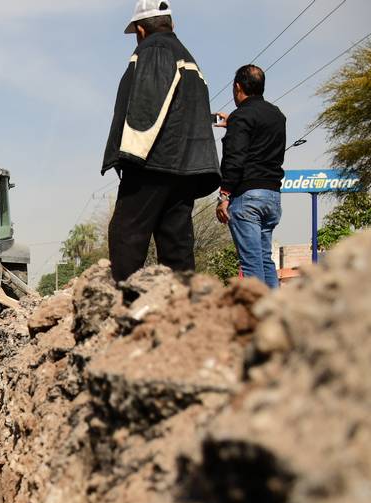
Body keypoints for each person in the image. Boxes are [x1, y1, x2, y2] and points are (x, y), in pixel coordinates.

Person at [101, 0, 221, 282]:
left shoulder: (154, 48)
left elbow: (147, 104)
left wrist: (130, 155)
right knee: (176, 246)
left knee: (126, 236)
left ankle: (126, 299)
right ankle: (181, 303)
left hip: (152, 162)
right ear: (171, 24)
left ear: (141, 30)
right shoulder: (189, 60)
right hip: (185, 169)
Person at [214, 65, 287, 290]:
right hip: (272, 196)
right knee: (265, 260)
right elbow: (260, 137)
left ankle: (257, 310)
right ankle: (274, 309)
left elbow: (235, 159)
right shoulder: (277, 115)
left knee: (251, 263)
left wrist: (224, 194)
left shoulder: (242, 116)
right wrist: (235, 123)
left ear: (238, 87)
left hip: (248, 198)